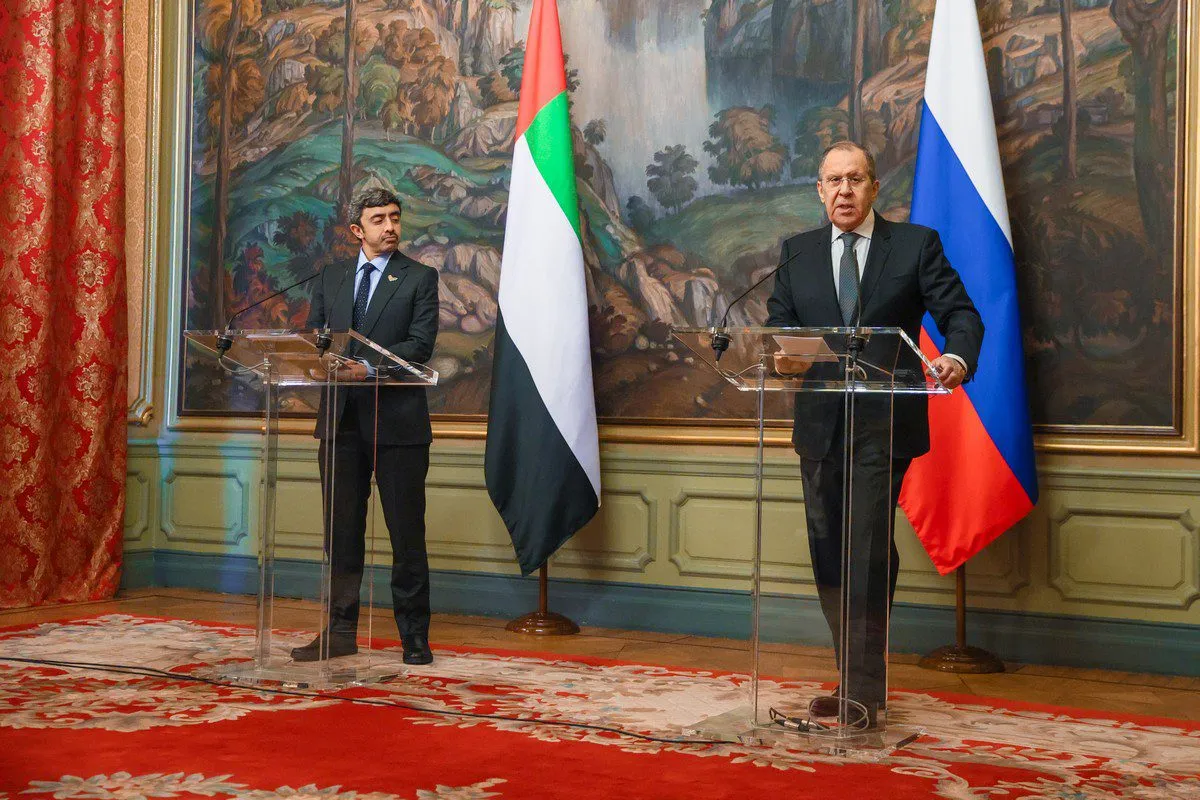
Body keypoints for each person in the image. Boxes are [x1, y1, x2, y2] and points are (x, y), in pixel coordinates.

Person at [766, 141, 984, 726]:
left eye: (855, 179)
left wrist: (956, 358)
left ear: (874, 187)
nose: (844, 190)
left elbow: (961, 314)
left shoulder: (914, 245)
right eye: (833, 180)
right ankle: (856, 678)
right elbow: (779, 324)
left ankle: (862, 690)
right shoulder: (796, 252)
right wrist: (782, 354)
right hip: (820, 426)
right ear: (819, 190)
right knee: (828, 550)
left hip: (884, 423)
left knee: (864, 547)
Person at [291, 188, 440, 666]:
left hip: (397, 424)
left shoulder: (419, 277)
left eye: (395, 217)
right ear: (357, 229)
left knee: (406, 535)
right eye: (379, 219)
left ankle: (414, 636)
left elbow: (419, 345)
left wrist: (368, 368)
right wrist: (318, 357)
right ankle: (339, 632)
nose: (390, 226)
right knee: (341, 535)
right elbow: (316, 335)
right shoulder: (332, 277)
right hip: (341, 423)